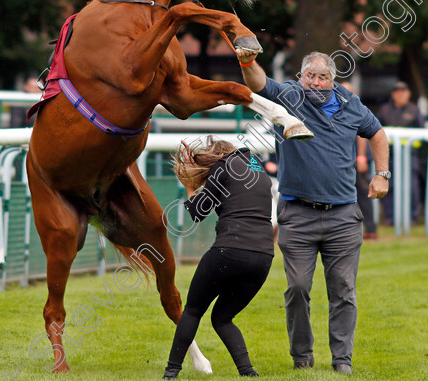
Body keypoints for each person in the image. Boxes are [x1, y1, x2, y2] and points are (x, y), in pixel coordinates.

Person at [237, 50, 390, 375]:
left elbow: (377, 132)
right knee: (297, 288)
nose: (316, 83)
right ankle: (302, 356)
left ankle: (342, 361)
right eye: (310, 76)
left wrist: (382, 173)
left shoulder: (351, 105)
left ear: (333, 81)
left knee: (343, 292)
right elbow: (259, 83)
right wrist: (248, 61)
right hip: (298, 215)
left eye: (323, 77)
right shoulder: (290, 97)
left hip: (344, 218)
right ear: (301, 78)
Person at [163, 137, 274, 379]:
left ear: (216, 156)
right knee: (223, 318)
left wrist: (190, 185)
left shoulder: (223, 167)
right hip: (264, 257)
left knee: (192, 310)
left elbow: (196, 211)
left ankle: (171, 372)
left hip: (230, 251)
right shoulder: (257, 164)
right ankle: (248, 373)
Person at [377, 81, 425, 225]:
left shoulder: (414, 110)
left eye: (403, 91)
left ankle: (412, 217)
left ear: (408, 94)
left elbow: (422, 132)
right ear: (393, 94)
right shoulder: (384, 110)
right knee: (389, 186)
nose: (400, 94)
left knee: (412, 186)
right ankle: (390, 217)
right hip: (390, 156)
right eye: (397, 91)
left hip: (410, 155)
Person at [339, 82, 378, 240]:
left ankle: (371, 228)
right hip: (344, 159)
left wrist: (361, 157)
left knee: (363, 193)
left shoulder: (355, 109)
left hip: (356, 158)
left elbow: (361, 136)